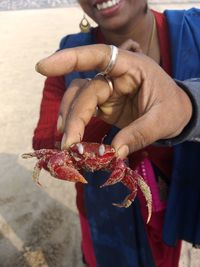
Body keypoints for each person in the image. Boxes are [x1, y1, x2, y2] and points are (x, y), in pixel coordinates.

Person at [33, 2, 200, 267]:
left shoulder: (195, 28)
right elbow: (44, 146)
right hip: (100, 219)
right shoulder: (66, 57)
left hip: (174, 205)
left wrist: (188, 104)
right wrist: (103, 108)